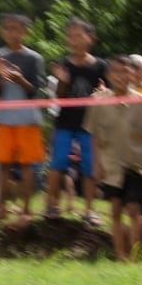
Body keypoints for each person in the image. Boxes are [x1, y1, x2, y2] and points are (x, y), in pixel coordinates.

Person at [86, 56, 142, 262]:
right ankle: (120, 255)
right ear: (108, 75)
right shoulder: (98, 102)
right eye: (116, 71)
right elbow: (94, 136)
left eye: (126, 71)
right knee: (115, 210)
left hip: (135, 165)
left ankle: (134, 256)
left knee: (134, 209)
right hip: (110, 165)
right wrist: (96, 164)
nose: (121, 76)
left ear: (133, 75)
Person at [45, 19, 108, 226]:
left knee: (90, 167)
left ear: (91, 38)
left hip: (90, 125)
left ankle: (89, 210)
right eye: (70, 36)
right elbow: (59, 96)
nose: (73, 40)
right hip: (65, 122)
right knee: (58, 163)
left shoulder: (100, 66)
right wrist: (62, 80)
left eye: (78, 35)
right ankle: (51, 206)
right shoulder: (64, 64)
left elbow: (107, 93)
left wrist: (102, 93)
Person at [0, 12, 45, 226]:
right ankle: (1, 208)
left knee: (26, 165)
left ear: (26, 31)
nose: (11, 33)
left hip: (27, 117)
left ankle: (27, 210)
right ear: (2, 32)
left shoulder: (34, 58)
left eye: (16, 29)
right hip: (4, 116)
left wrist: (20, 79)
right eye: (7, 29)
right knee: (3, 164)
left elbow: (35, 91)